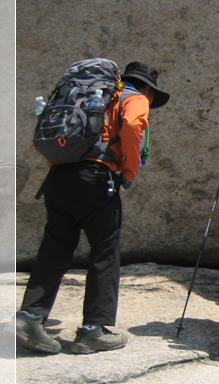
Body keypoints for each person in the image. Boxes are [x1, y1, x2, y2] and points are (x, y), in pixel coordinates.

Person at [16, 61, 169, 355]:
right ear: (147, 88)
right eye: (152, 95)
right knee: (105, 251)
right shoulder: (133, 97)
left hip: (59, 178)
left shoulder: (93, 95)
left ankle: (30, 318)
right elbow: (134, 125)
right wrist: (129, 171)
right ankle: (93, 330)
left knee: (54, 249)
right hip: (97, 178)